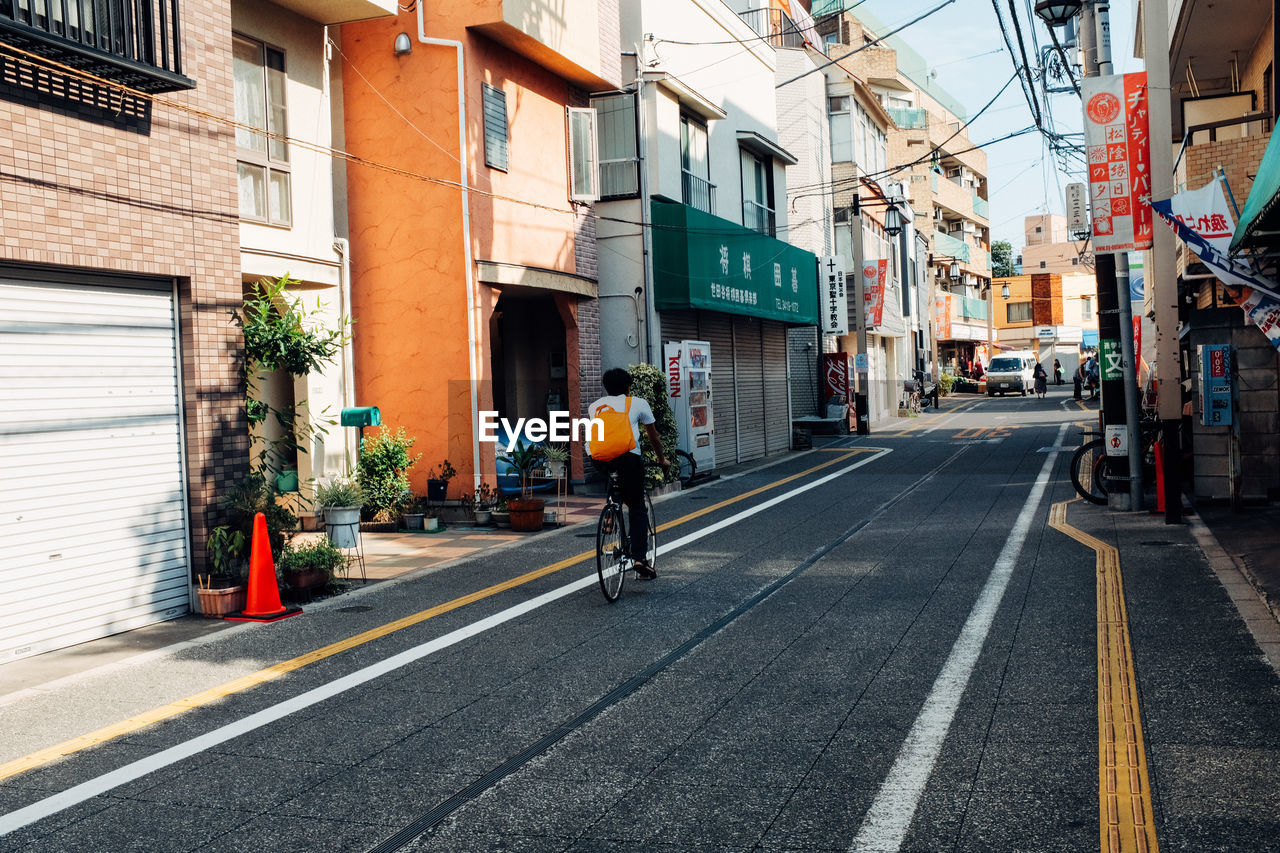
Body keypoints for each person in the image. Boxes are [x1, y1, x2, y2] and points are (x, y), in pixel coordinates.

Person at [587, 368, 669, 579]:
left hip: (598, 459)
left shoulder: (595, 406)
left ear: (605, 387)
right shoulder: (638, 403)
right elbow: (654, 438)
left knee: (614, 476)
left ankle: (611, 510)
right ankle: (640, 559)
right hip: (629, 459)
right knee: (637, 507)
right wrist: (662, 460)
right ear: (628, 386)